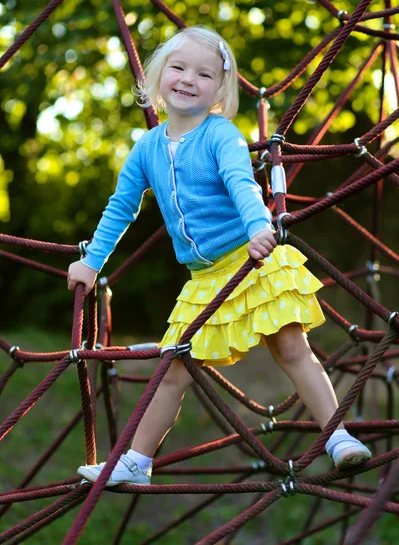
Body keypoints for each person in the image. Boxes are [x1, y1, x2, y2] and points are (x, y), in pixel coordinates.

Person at [67, 25, 371, 486]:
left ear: (219, 90)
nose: (189, 79)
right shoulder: (146, 149)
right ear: (157, 76)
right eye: (178, 67)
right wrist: (93, 263)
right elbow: (121, 207)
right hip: (203, 278)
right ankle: (137, 462)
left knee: (291, 346)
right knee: (175, 369)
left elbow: (241, 183)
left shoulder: (219, 135)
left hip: (250, 258)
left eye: (204, 74)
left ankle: (338, 436)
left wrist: (257, 228)